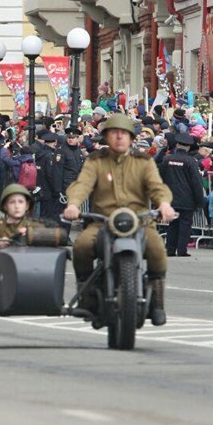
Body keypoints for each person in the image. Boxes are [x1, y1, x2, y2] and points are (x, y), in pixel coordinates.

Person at [63, 113, 175, 326]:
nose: (119, 137)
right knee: (82, 246)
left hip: (139, 221)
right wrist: (73, 205)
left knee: (158, 249)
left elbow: (156, 186)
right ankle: (87, 300)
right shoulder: (96, 161)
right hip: (102, 221)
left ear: (132, 137)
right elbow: (82, 184)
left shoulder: (143, 161)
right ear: (106, 137)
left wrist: (164, 204)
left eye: (123, 133)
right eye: (114, 133)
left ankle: (158, 304)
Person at [158, 133, 206, 257]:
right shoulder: (190, 161)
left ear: (177, 145)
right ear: (189, 148)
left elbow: (160, 178)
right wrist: (199, 200)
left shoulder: (167, 159)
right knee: (185, 224)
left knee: (173, 224)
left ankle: (169, 249)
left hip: (171, 198)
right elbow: (196, 182)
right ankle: (181, 250)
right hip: (186, 198)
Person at [34, 131, 65, 221]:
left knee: (43, 213)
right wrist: (56, 189)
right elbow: (51, 174)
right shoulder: (50, 155)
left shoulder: (40, 153)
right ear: (54, 142)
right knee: (49, 215)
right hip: (49, 190)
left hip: (40, 187)